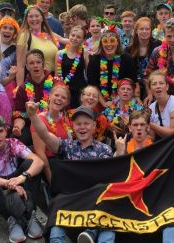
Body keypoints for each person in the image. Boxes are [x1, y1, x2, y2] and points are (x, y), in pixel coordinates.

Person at [27, 103, 114, 243]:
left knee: (108, 214)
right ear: (73, 127)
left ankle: (92, 234)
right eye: (78, 124)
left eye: (86, 123)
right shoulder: (66, 146)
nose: (82, 127)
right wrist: (32, 115)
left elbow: (106, 177)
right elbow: (44, 134)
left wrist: (121, 153)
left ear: (93, 126)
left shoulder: (104, 150)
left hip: (94, 200)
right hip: (70, 199)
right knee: (57, 211)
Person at [0, 114, 44, 242]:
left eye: (1, 131)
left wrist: (22, 177)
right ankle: (13, 219)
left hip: (16, 182)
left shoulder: (13, 143)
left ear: (6, 131)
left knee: (31, 164)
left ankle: (29, 215)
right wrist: (8, 183)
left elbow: (39, 162)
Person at [114, 110, 174, 243]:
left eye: (142, 124)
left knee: (172, 217)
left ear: (148, 127)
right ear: (129, 127)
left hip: (154, 198)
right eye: (135, 125)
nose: (139, 128)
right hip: (128, 198)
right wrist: (120, 154)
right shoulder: (122, 147)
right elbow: (115, 179)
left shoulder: (159, 150)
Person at [12, 49, 54, 147]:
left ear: (43, 64)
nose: (35, 65)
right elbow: (19, 114)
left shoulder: (55, 84)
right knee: (16, 140)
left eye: (38, 62)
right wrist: (18, 127)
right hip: (30, 125)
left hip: (52, 123)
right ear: (27, 66)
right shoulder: (22, 89)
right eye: (31, 63)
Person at [31, 85, 72, 183]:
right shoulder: (39, 120)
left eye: (63, 97)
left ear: (66, 102)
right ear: (49, 96)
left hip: (66, 159)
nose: (59, 99)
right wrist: (51, 179)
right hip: (51, 162)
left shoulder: (65, 119)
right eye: (56, 95)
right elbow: (40, 153)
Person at [87, 30, 137, 108]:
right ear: (101, 44)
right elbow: (93, 85)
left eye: (112, 41)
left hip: (124, 101)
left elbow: (133, 82)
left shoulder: (127, 59)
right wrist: (104, 103)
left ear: (117, 42)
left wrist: (121, 102)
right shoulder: (94, 60)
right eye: (105, 41)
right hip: (100, 100)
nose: (109, 44)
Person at [16, 5, 61, 85]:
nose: (34, 19)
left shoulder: (48, 35)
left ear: (42, 18)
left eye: (37, 16)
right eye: (31, 16)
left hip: (52, 80)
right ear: (26, 19)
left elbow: (67, 40)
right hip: (36, 82)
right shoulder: (24, 36)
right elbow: (20, 66)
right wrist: (19, 88)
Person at [147, 70, 174, 139]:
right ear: (150, 89)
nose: (158, 86)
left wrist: (147, 122)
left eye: (161, 83)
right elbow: (152, 137)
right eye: (154, 84)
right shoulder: (151, 107)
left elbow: (172, 134)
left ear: (167, 87)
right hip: (163, 146)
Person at [126, 17, 161, 101]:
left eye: (147, 29)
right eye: (141, 29)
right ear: (136, 31)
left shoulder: (158, 46)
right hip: (134, 86)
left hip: (154, 84)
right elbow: (128, 73)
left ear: (151, 31)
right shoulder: (128, 50)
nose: (144, 31)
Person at [54, 25, 89, 108]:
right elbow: (56, 76)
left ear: (83, 40)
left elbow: (89, 74)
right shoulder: (60, 53)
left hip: (79, 92)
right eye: (73, 35)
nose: (74, 38)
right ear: (69, 36)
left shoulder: (85, 53)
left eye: (78, 37)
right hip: (64, 92)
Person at [0, 17, 21, 105]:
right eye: (5, 27)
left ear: (14, 33)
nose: (7, 30)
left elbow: (17, 68)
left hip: (6, 86)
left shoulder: (16, 49)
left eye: (11, 29)